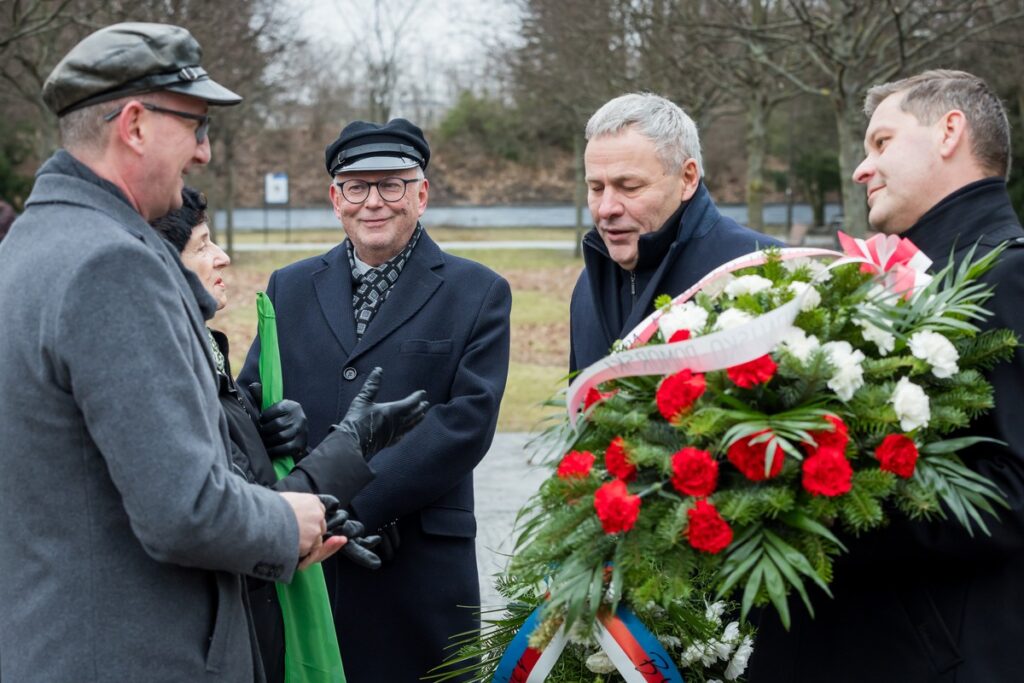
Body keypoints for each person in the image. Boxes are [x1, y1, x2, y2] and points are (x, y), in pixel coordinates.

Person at [0, 23, 334, 683]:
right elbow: (183, 510)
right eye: (198, 125)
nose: (205, 152)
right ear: (135, 124)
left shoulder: (31, 244)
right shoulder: (111, 263)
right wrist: (287, 521)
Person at [748, 70, 1024, 682]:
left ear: (950, 131)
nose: (860, 169)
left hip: (923, 655)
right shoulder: (907, 278)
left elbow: (1009, 497)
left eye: (881, 143)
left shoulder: (1006, 279)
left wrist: (808, 501)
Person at [238, 118, 512, 681]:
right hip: (309, 567)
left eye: (391, 184)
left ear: (422, 194)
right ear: (335, 198)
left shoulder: (477, 290)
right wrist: (268, 425)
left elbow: (465, 424)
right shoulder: (288, 287)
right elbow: (248, 395)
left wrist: (359, 502)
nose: (374, 202)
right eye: (357, 186)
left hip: (416, 565)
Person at [152, 187, 430, 682]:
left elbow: (246, 482)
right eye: (202, 245)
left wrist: (264, 433)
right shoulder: (169, 370)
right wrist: (352, 444)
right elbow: (234, 517)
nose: (223, 255)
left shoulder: (199, 354)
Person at [570, 93, 782, 372]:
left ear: (688, 178)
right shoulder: (589, 283)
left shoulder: (764, 271)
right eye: (596, 188)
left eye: (629, 186)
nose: (606, 208)